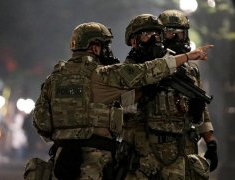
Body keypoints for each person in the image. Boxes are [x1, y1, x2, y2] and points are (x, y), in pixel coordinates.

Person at [29, 21, 212, 180]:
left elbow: (41, 123)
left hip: (61, 161)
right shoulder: (102, 75)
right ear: (94, 47)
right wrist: (187, 57)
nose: (107, 51)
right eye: (105, 45)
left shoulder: (53, 80)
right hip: (96, 162)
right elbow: (146, 71)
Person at [121, 13, 214, 179]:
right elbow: (122, 107)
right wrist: (146, 90)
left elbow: (200, 109)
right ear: (134, 41)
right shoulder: (130, 69)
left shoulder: (186, 69)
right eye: (146, 35)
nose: (153, 39)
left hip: (180, 150)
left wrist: (211, 142)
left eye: (156, 35)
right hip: (144, 151)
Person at [159, 9, 218, 179]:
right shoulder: (150, 66)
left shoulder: (191, 70)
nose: (176, 38)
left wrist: (211, 143)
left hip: (184, 145)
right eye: (170, 33)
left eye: (180, 33)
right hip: (152, 145)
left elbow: (202, 108)